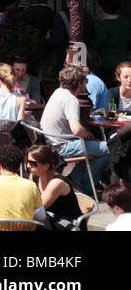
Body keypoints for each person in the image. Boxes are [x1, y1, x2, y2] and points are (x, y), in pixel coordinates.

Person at [39, 64, 109, 195]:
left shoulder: (58, 92)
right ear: (79, 83)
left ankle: (75, 182)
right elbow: (76, 130)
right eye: (85, 81)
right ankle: (87, 188)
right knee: (108, 149)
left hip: (51, 142)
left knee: (95, 148)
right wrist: (87, 134)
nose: (86, 84)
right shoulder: (71, 99)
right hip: (62, 146)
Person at [26, 144, 83, 230]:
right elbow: (28, 198)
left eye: (32, 163)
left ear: (46, 166)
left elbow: (38, 208)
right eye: (27, 161)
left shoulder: (57, 183)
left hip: (68, 224)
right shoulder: (34, 176)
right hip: (49, 220)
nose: (28, 166)